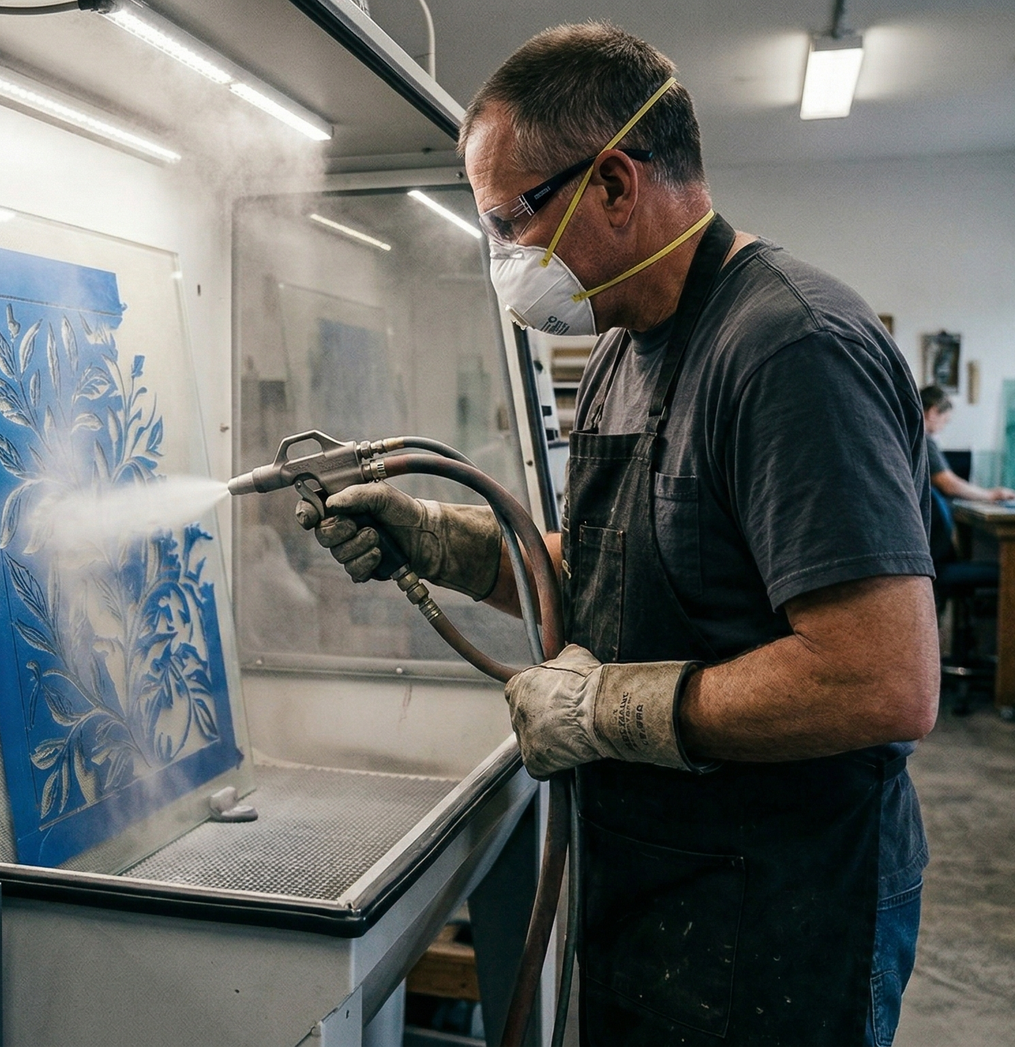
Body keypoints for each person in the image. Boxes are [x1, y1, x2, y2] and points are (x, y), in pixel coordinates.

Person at [297, 23, 937, 1046]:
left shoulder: (789, 349)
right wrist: (440, 540)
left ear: (614, 185)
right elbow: (604, 569)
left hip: (780, 909)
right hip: (654, 882)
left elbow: (878, 678)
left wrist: (611, 709)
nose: (507, 258)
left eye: (512, 220)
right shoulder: (623, 346)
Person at [921, 385, 1015, 503]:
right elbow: (949, 485)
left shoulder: (909, 438)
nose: (942, 428)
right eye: (945, 421)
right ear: (933, 412)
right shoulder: (924, 441)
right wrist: (991, 495)